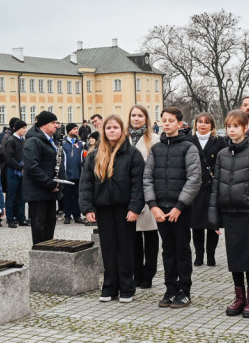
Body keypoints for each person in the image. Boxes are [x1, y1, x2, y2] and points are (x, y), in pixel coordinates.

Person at [79, 114, 145, 303]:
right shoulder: (95, 155)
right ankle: (109, 286)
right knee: (108, 248)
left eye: (115, 127)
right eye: (108, 128)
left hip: (125, 209)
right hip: (104, 208)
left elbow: (138, 184)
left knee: (125, 247)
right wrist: (87, 208)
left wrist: (135, 208)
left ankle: (126, 287)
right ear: (104, 131)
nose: (112, 131)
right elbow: (86, 184)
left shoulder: (132, 154)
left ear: (122, 130)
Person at [210, 110, 249, 318]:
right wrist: (215, 219)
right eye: (229, 126)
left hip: (248, 213)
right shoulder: (222, 155)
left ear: (245, 128)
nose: (232, 130)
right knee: (234, 256)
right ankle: (239, 296)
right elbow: (216, 187)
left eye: (236, 126)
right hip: (229, 213)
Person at [143, 107, 201, 308]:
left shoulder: (188, 147)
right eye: (164, 120)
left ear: (179, 123)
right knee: (167, 249)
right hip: (161, 208)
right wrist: (153, 205)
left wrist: (179, 206)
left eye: (170, 120)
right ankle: (170, 288)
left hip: (180, 210)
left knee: (182, 249)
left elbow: (194, 179)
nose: (166, 124)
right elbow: (147, 177)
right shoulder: (156, 149)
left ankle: (184, 290)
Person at [127, 105, 159, 289]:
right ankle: (136, 273)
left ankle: (149, 274)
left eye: (140, 115)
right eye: (133, 115)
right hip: (130, 192)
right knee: (134, 236)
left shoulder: (154, 139)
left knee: (151, 235)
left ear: (146, 119)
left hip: (148, 190)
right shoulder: (125, 138)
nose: (136, 118)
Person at [190, 113, 225, 266]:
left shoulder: (219, 141)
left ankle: (211, 256)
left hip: (212, 186)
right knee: (196, 224)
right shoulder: (189, 141)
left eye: (206, 122)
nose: (203, 125)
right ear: (195, 124)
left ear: (212, 125)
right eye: (200, 122)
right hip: (195, 187)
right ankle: (199, 255)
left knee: (212, 223)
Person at [22, 110, 61, 245]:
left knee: (49, 226)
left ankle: (48, 256)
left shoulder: (51, 140)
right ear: (43, 125)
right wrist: (50, 184)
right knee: (40, 228)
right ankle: (40, 258)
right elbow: (32, 167)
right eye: (53, 123)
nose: (57, 126)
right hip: (38, 193)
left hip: (49, 192)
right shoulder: (33, 141)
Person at [2, 118, 27, 228]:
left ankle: (22, 218)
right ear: (17, 129)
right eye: (23, 128)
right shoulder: (11, 140)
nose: (25, 130)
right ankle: (10, 219)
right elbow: (9, 158)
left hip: (21, 171)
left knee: (21, 196)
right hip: (13, 171)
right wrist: (19, 166)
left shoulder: (23, 140)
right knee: (11, 196)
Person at [60, 123, 84, 224]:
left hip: (78, 174)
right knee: (67, 196)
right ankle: (67, 215)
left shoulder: (81, 143)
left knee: (77, 196)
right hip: (67, 174)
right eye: (74, 129)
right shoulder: (63, 143)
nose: (76, 130)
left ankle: (77, 215)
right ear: (69, 131)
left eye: (77, 129)